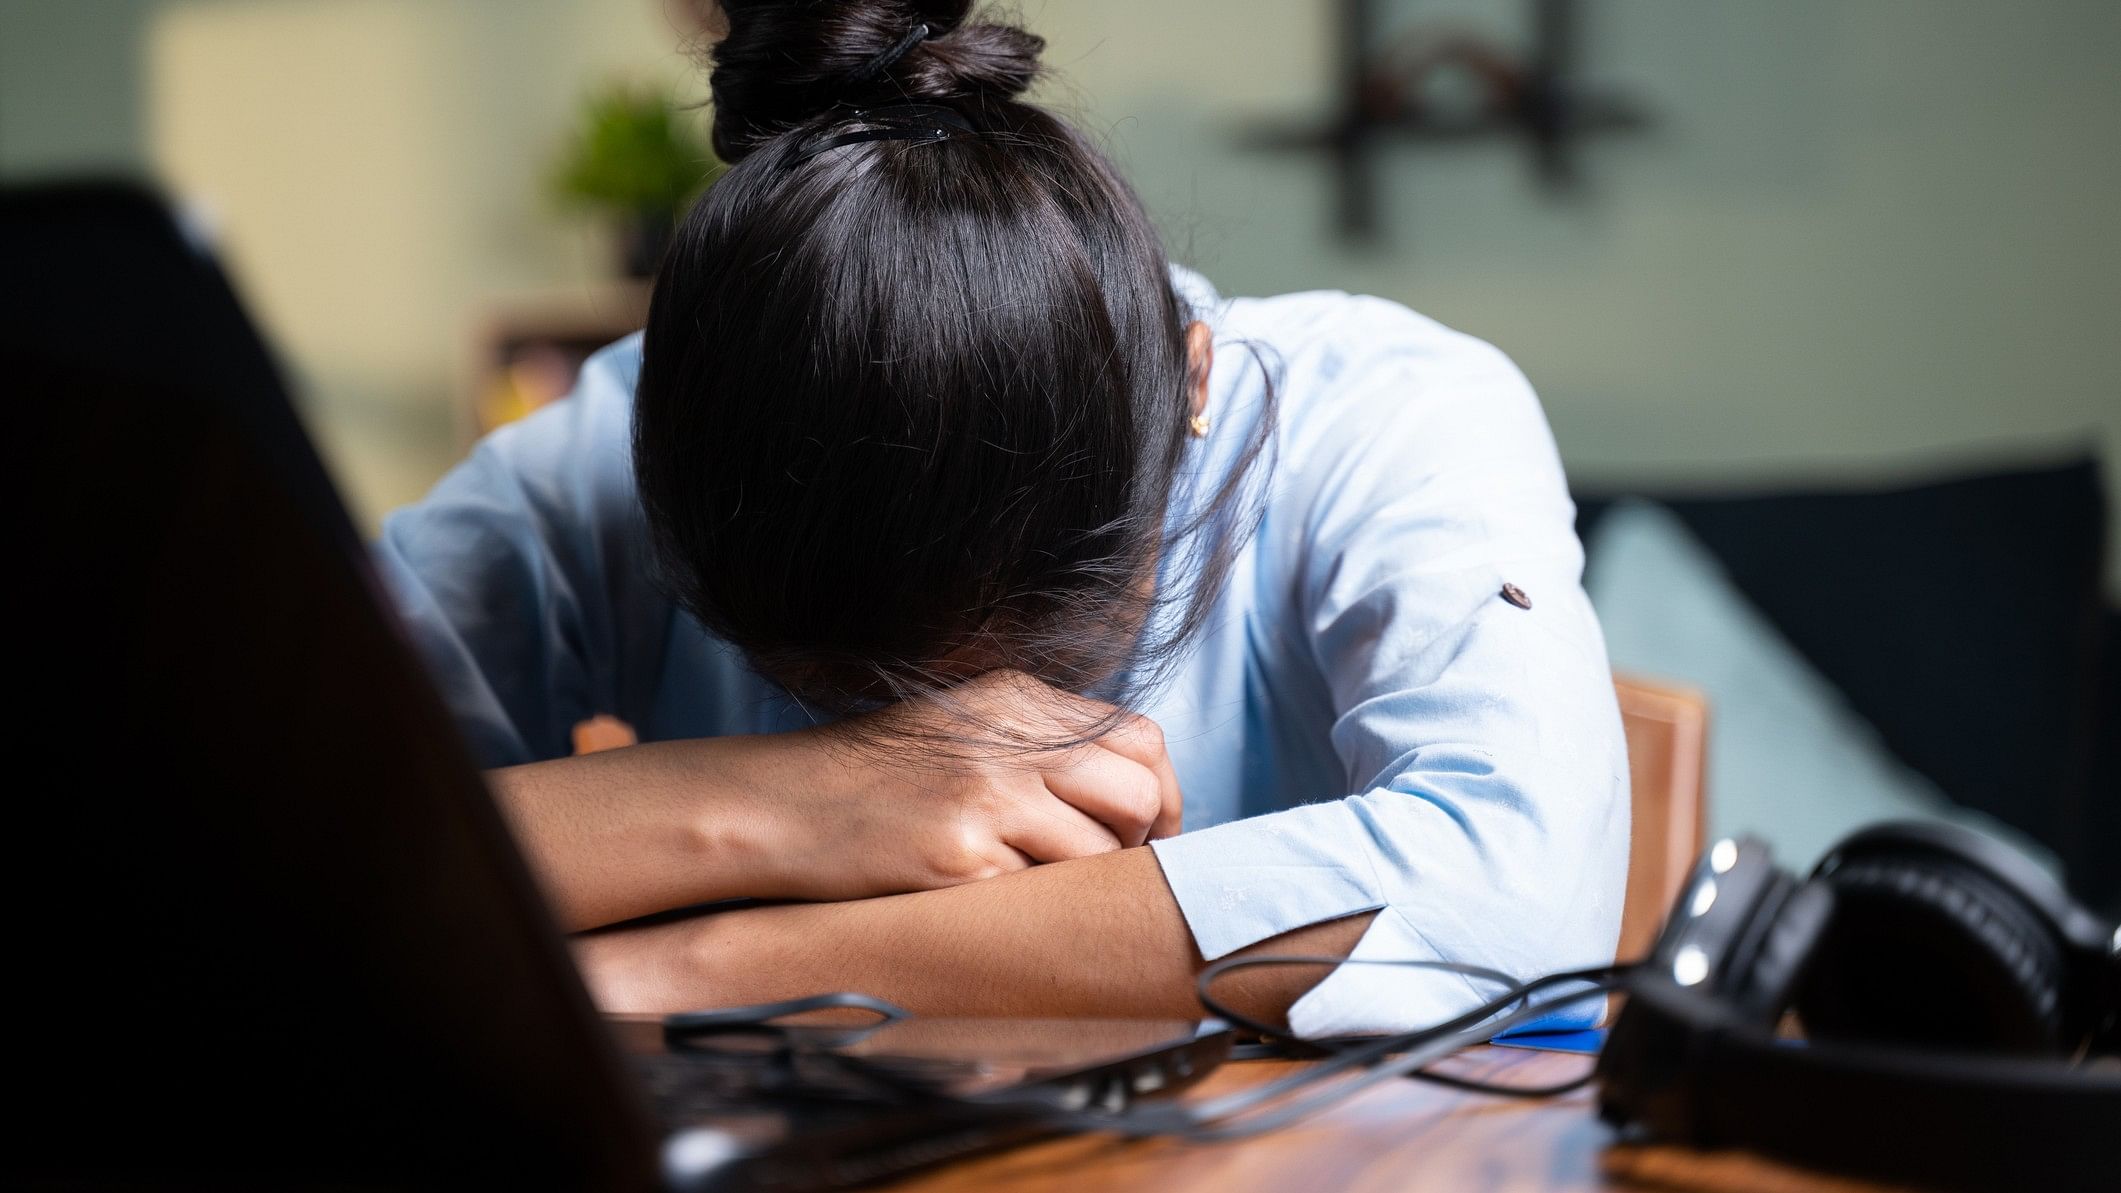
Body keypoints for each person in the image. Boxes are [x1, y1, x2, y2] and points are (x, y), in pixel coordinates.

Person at [379, 0, 1629, 1038]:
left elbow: (1519, 889)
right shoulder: (618, 444)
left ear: (1192, 388)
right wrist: (797, 796)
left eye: (1043, 661)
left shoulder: (1383, 416)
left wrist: (692, 972)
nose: (968, 747)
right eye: (822, 687)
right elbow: (227, 834)